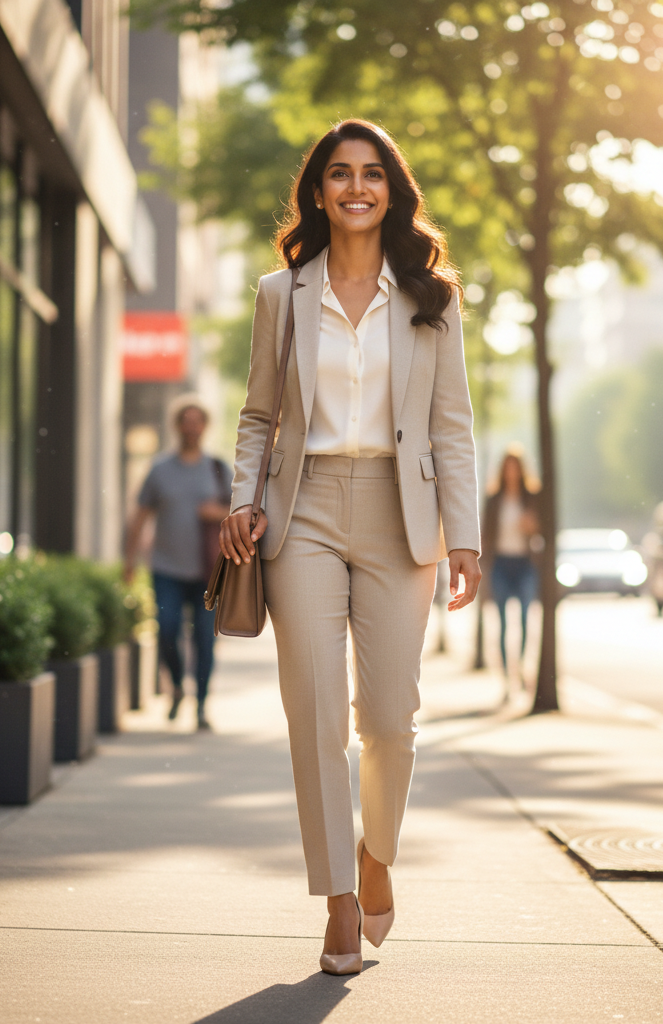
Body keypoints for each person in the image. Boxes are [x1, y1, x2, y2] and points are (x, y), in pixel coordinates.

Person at [219, 120, 480, 975]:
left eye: (372, 174)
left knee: (393, 720)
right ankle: (337, 901)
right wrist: (240, 502)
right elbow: (259, 417)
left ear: (392, 191)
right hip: (303, 514)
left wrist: (465, 539)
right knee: (317, 713)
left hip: (402, 513)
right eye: (339, 173)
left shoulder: (431, 298)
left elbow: (454, 430)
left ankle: (377, 858)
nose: (356, 187)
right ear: (319, 190)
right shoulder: (280, 293)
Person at [124, 396, 232, 731]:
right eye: (186, 420)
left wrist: (217, 513)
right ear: (177, 426)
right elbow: (140, 515)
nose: (192, 427)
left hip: (207, 572)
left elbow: (243, 514)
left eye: (197, 420)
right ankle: (176, 690)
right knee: (167, 631)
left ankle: (200, 706)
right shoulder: (160, 470)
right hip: (166, 568)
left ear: (205, 426)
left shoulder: (217, 468)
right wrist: (129, 560)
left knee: (204, 638)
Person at [481, 450, 541, 697]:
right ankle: (507, 678)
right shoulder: (494, 499)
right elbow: (485, 533)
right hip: (501, 564)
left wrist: (531, 527)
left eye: (515, 467)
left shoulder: (531, 498)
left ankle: (525, 668)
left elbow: (542, 530)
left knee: (527, 618)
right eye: (508, 467)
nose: (511, 472)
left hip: (525, 564)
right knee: (503, 623)